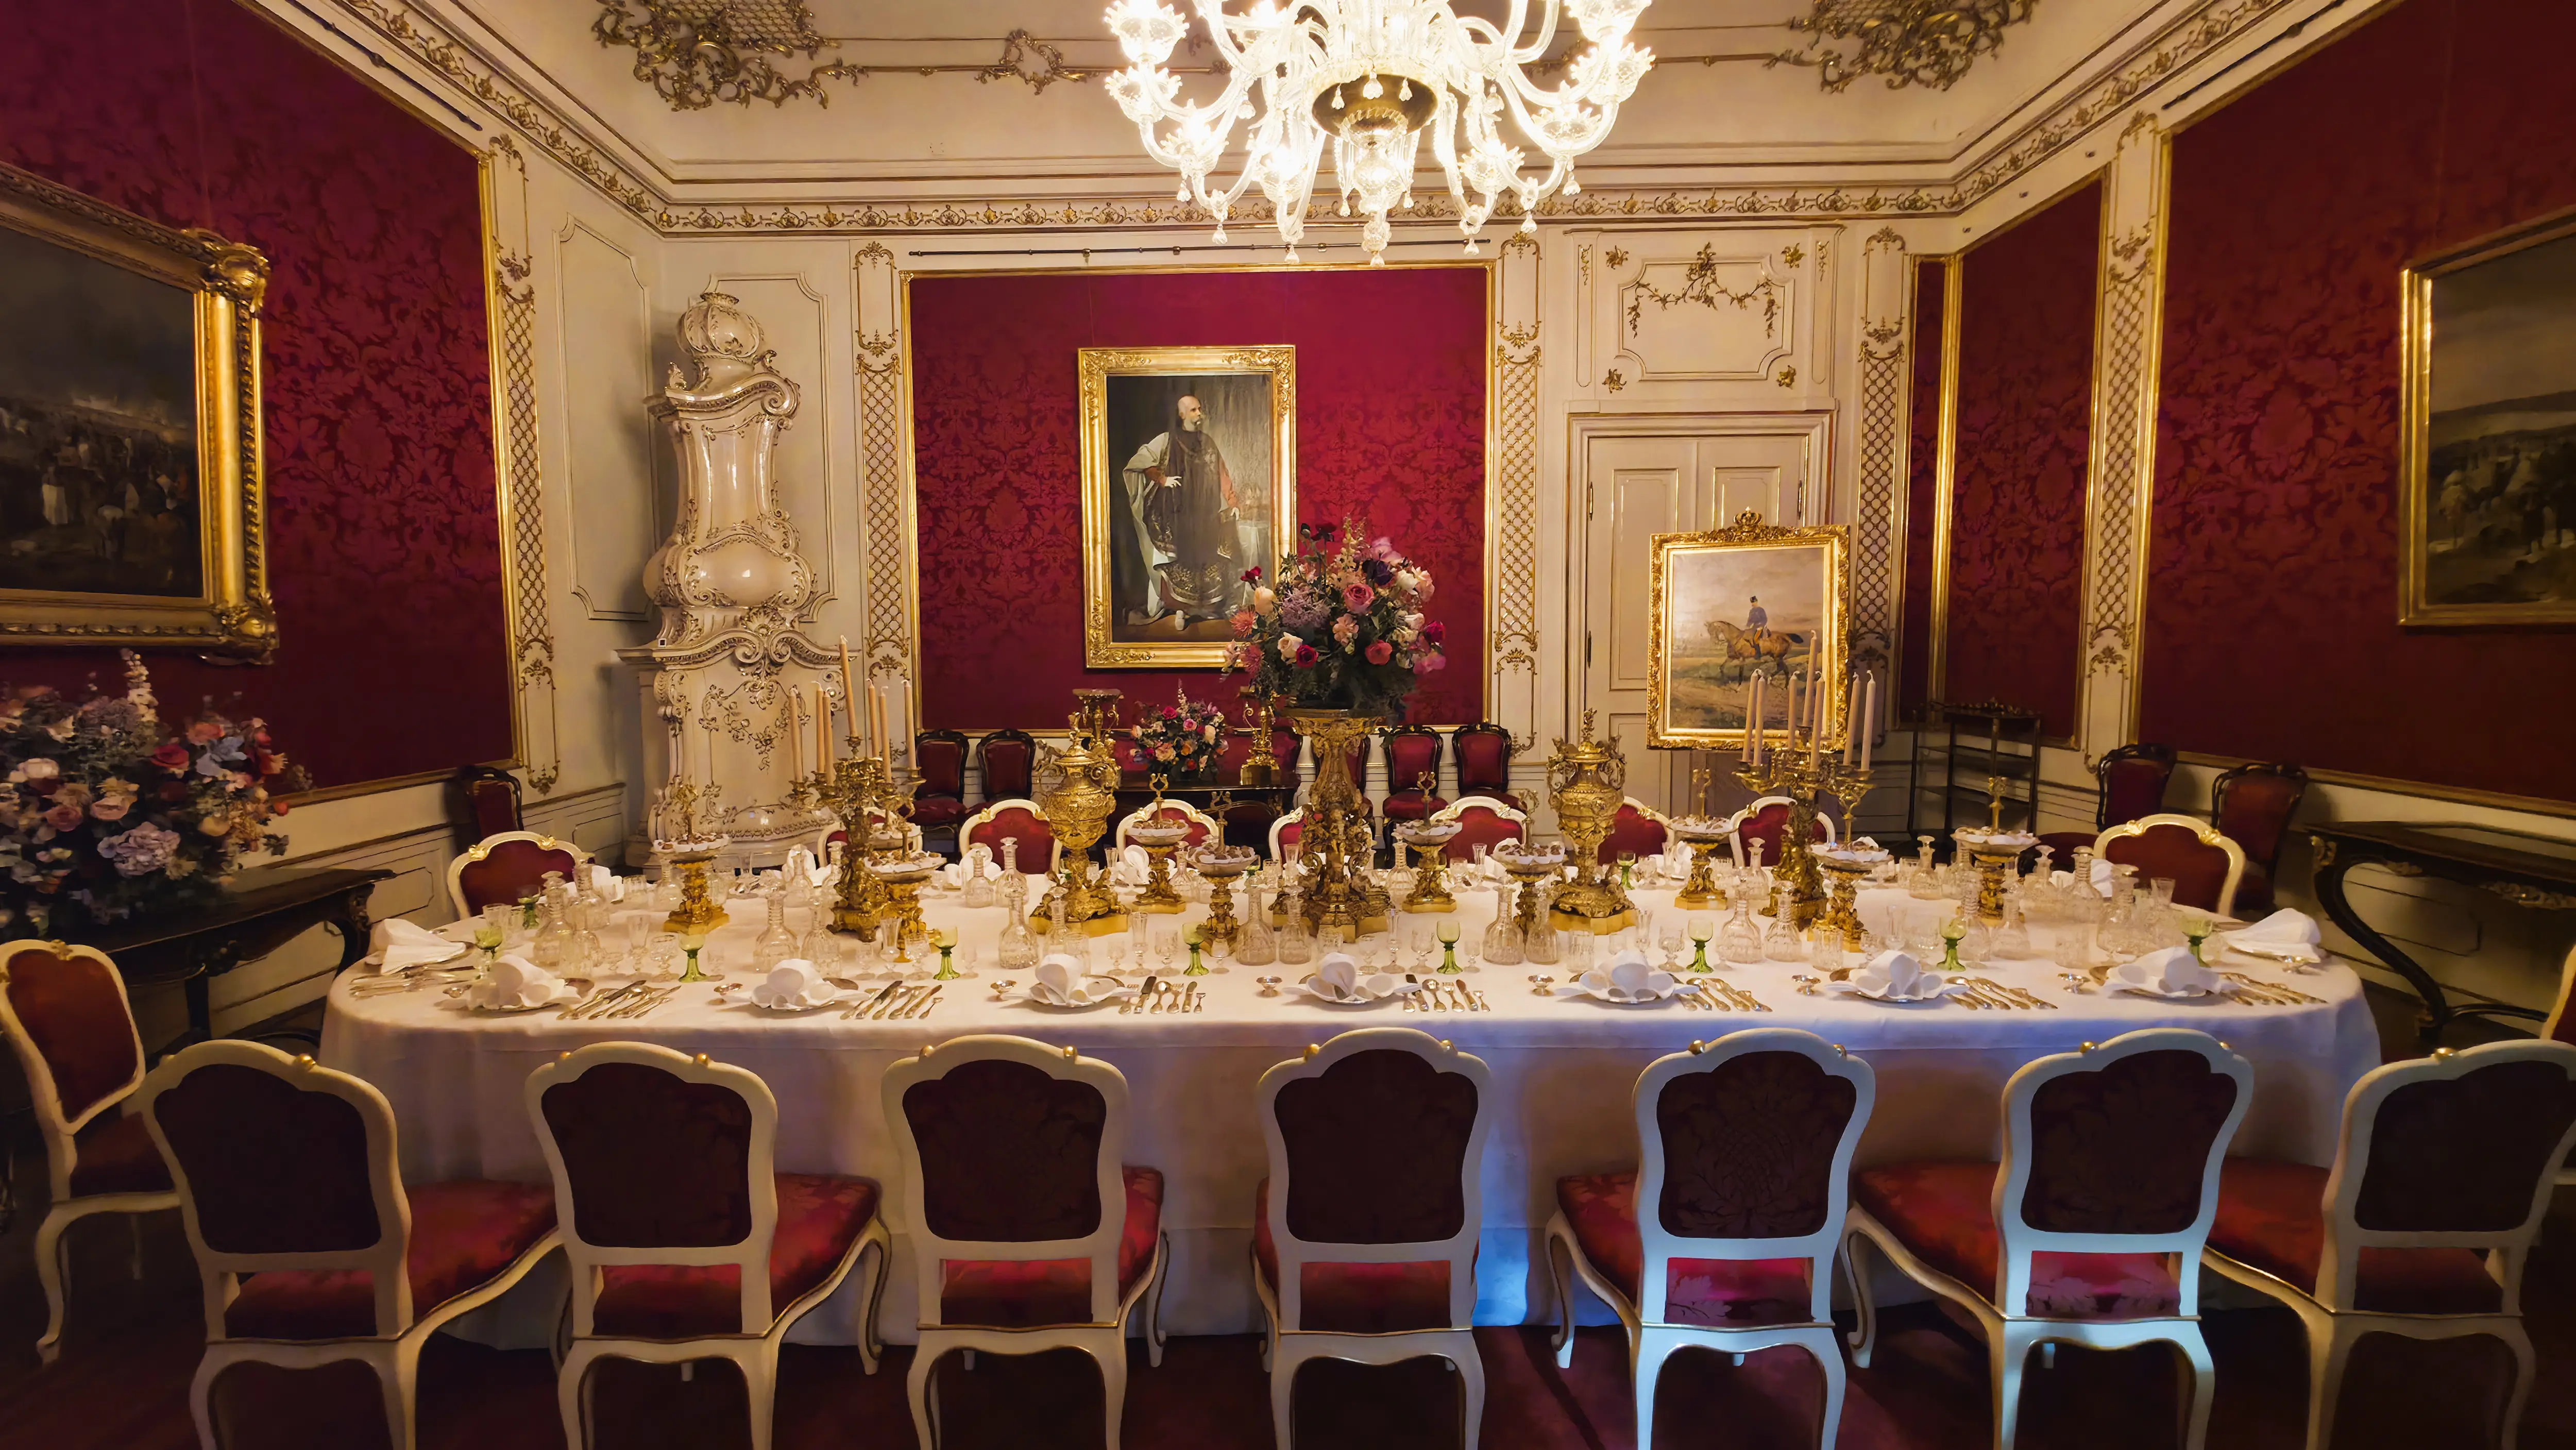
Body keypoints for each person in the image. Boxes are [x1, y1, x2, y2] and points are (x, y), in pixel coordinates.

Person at [1121, 394, 1243, 626]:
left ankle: (1200, 608)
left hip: (1203, 515)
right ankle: (1178, 609)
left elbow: (1222, 474)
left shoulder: (1207, 442)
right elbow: (1142, 462)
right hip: (1173, 515)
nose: (1200, 414)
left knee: (1204, 561)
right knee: (1176, 561)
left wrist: (1232, 502)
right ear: (1182, 415)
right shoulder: (1166, 441)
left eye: (1200, 409)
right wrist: (1162, 479)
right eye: (1194, 410)